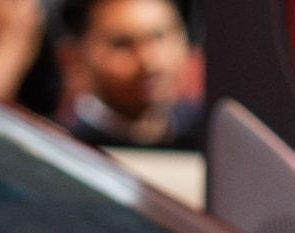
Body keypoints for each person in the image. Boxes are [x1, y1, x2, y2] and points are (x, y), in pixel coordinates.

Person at [58, 0, 202, 147]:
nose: (149, 62)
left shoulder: (206, 131)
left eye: (160, 36)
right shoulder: (65, 146)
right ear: (76, 58)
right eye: (122, 44)